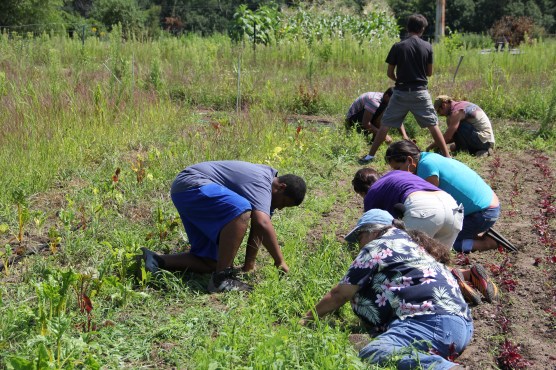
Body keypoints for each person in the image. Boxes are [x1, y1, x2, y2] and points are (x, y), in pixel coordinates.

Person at [300, 209, 473, 370]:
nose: (358, 246)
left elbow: (340, 293)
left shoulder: (378, 246)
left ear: (374, 232)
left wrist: (305, 319)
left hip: (431, 324)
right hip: (461, 327)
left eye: (360, 237)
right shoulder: (413, 247)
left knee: (373, 351)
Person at [140, 160, 306, 293]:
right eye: (284, 203)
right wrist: (280, 261)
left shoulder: (267, 189)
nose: (280, 208)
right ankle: (221, 279)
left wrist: (249, 266)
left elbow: (258, 227)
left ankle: (157, 259)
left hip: (187, 192)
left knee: (211, 261)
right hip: (193, 184)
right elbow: (263, 223)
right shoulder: (263, 182)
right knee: (242, 209)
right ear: (281, 187)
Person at [359, 14, 450, 165]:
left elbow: (389, 73)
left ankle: (370, 156)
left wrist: (399, 81)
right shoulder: (428, 47)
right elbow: (429, 73)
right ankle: (447, 157)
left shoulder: (398, 46)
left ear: (407, 28)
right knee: (433, 124)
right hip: (420, 92)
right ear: (422, 29)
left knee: (385, 124)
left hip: (400, 92)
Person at [385, 140, 500, 254]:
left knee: (441, 243)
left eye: (398, 168)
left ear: (410, 160)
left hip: (484, 213)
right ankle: (473, 234)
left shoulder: (426, 166)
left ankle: (489, 243)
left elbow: (428, 203)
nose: (397, 173)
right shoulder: (428, 158)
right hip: (488, 206)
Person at [352, 168, 463, 248]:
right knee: (439, 262)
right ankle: (468, 275)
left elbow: (369, 230)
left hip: (424, 208)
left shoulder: (371, 194)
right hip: (451, 206)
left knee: (403, 258)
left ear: (361, 192)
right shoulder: (396, 174)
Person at [429, 95, 495, 156]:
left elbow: (448, 136)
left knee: (457, 127)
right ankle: (478, 150)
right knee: (453, 146)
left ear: (443, 105)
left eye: (439, 111)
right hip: (486, 140)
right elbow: (451, 137)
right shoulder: (461, 105)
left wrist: (431, 146)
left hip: (483, 140)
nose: (440, 114)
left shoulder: (457, 112)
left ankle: (481, 150)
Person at [345, 88, 409, 143]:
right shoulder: (375, 101)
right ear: (387, 96)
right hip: (352, 121)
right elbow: (365, 123)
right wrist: (383, 135)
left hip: (363, 119)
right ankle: (375, 139)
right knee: (384, 110)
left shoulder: (385, 99)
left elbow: (396, 117)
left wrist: (404, 135)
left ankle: (374, 140)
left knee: (388, 109)